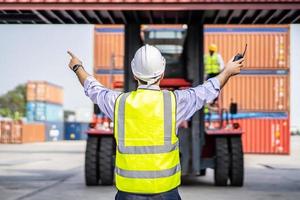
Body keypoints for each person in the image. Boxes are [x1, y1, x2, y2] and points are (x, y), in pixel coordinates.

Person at [67, 44, 244, 200]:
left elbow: (92, 87)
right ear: (162, 71)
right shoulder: (175, 102)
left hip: (128, 194)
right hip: (165, 193)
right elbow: (206, 90)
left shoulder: (118, 103)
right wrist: (227, 71)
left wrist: (77, 66)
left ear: (134, 73)